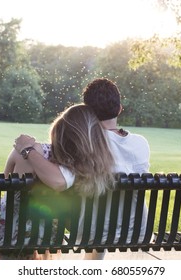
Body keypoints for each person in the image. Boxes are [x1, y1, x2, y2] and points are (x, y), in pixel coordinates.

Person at [15, 78, 151, 260]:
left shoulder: (87, 144)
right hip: (136, 230)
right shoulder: (141, 143)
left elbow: (59, 181)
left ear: (86, 112)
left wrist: (28, 150)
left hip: (91, 230)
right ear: (119, 109)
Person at [0, 104, 116, 259]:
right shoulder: (85, 167)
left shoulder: (29, 153)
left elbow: (5, 185)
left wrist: (27, 151)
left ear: (59, 130)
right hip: (46, 238)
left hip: (3, 235)